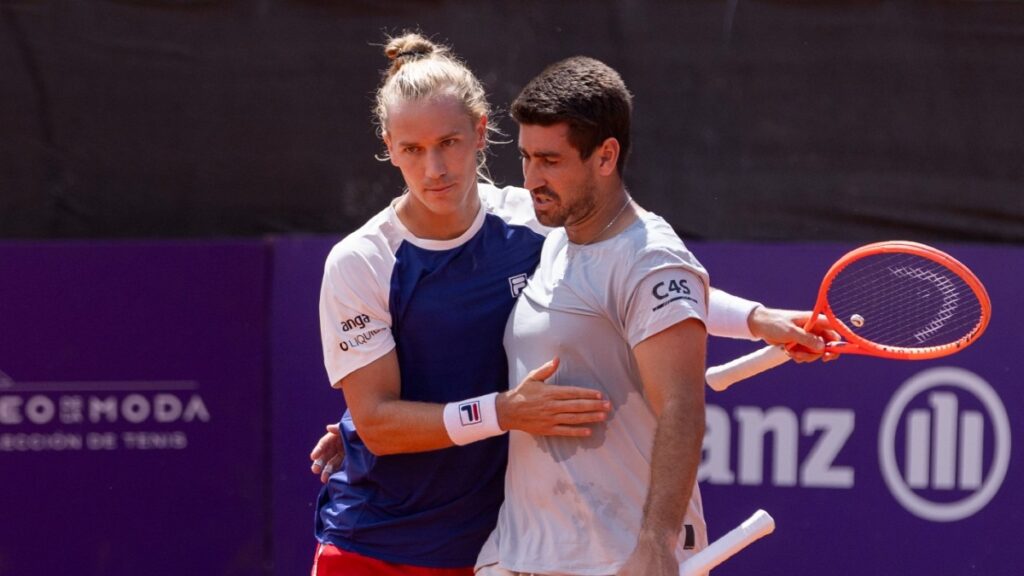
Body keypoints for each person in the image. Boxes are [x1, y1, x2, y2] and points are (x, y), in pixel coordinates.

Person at [312, 32, 832, 576]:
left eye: (449, 142)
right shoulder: (362, 262)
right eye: (412, 150)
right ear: (388, 146)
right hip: (377, 542)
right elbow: (378, 424)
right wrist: (500, 412)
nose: (434, 168)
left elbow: (646, 288)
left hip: (487, 544)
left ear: (481, 132)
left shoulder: (537, 222)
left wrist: (757, 319)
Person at [471, 56, 732, 576]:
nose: (532, 179)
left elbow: (682, 407)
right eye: (526, 157)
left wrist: (656, 543)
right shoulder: (555, 240)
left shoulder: (650, 260)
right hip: (523, 554)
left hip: (617, 559)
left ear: (606, 156)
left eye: (550, 160)